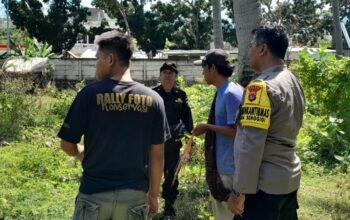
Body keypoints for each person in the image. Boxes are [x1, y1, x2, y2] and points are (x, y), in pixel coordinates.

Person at [57, 30, 170, 220]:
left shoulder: (88, 95)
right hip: (134, 198)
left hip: (93, 195)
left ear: (110, 60)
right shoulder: (154, 100)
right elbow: (157, 155)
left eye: (97, 59)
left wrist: (80, 152)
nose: (96, 65)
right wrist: (153, 194)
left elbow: (67, 144)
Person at [227, 25, 305, 220]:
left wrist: (238, 191)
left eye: (252, 45)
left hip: (262, 189)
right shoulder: (292, 81)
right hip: (288, 180)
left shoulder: (260, 88)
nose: (249, 51)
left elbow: (250, 145)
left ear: (262, 49)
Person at [192, 49, 243, 220]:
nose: (202, 72)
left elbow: (237, 132)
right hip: (223, 166)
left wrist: (208, 126)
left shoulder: (230, 94)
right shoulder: (223, 90)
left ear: (212, 68)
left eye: (204, 67)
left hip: (229, 169)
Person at [153, 61, 194, 219]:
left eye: (171, 72)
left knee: (171, 176)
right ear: (160, 75)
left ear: (176, 76)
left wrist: (189, 142)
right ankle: (150, 203)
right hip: (155, 142)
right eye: (165, 72)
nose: (167, 75)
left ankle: (169, 207)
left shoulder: (181, 95)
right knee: (152, 173)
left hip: (173, 143)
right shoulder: (153, 93)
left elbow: (187, 119)